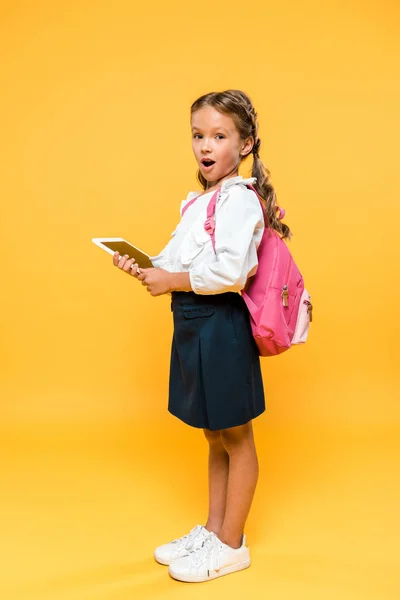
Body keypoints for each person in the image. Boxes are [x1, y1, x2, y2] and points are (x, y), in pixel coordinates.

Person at [113, 89, 291, 583]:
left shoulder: (239, 199)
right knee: (214, 434)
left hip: (221, 329)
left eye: (219, 135)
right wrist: (146, 267)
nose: (205, 146)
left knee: (236, 434)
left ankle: (232, 544)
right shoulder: (201, 202)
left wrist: (172, 280)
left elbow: (232, 270)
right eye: (198, 135)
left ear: (246, 143)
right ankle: (214, 530)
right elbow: (180, 262)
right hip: (193, 326)